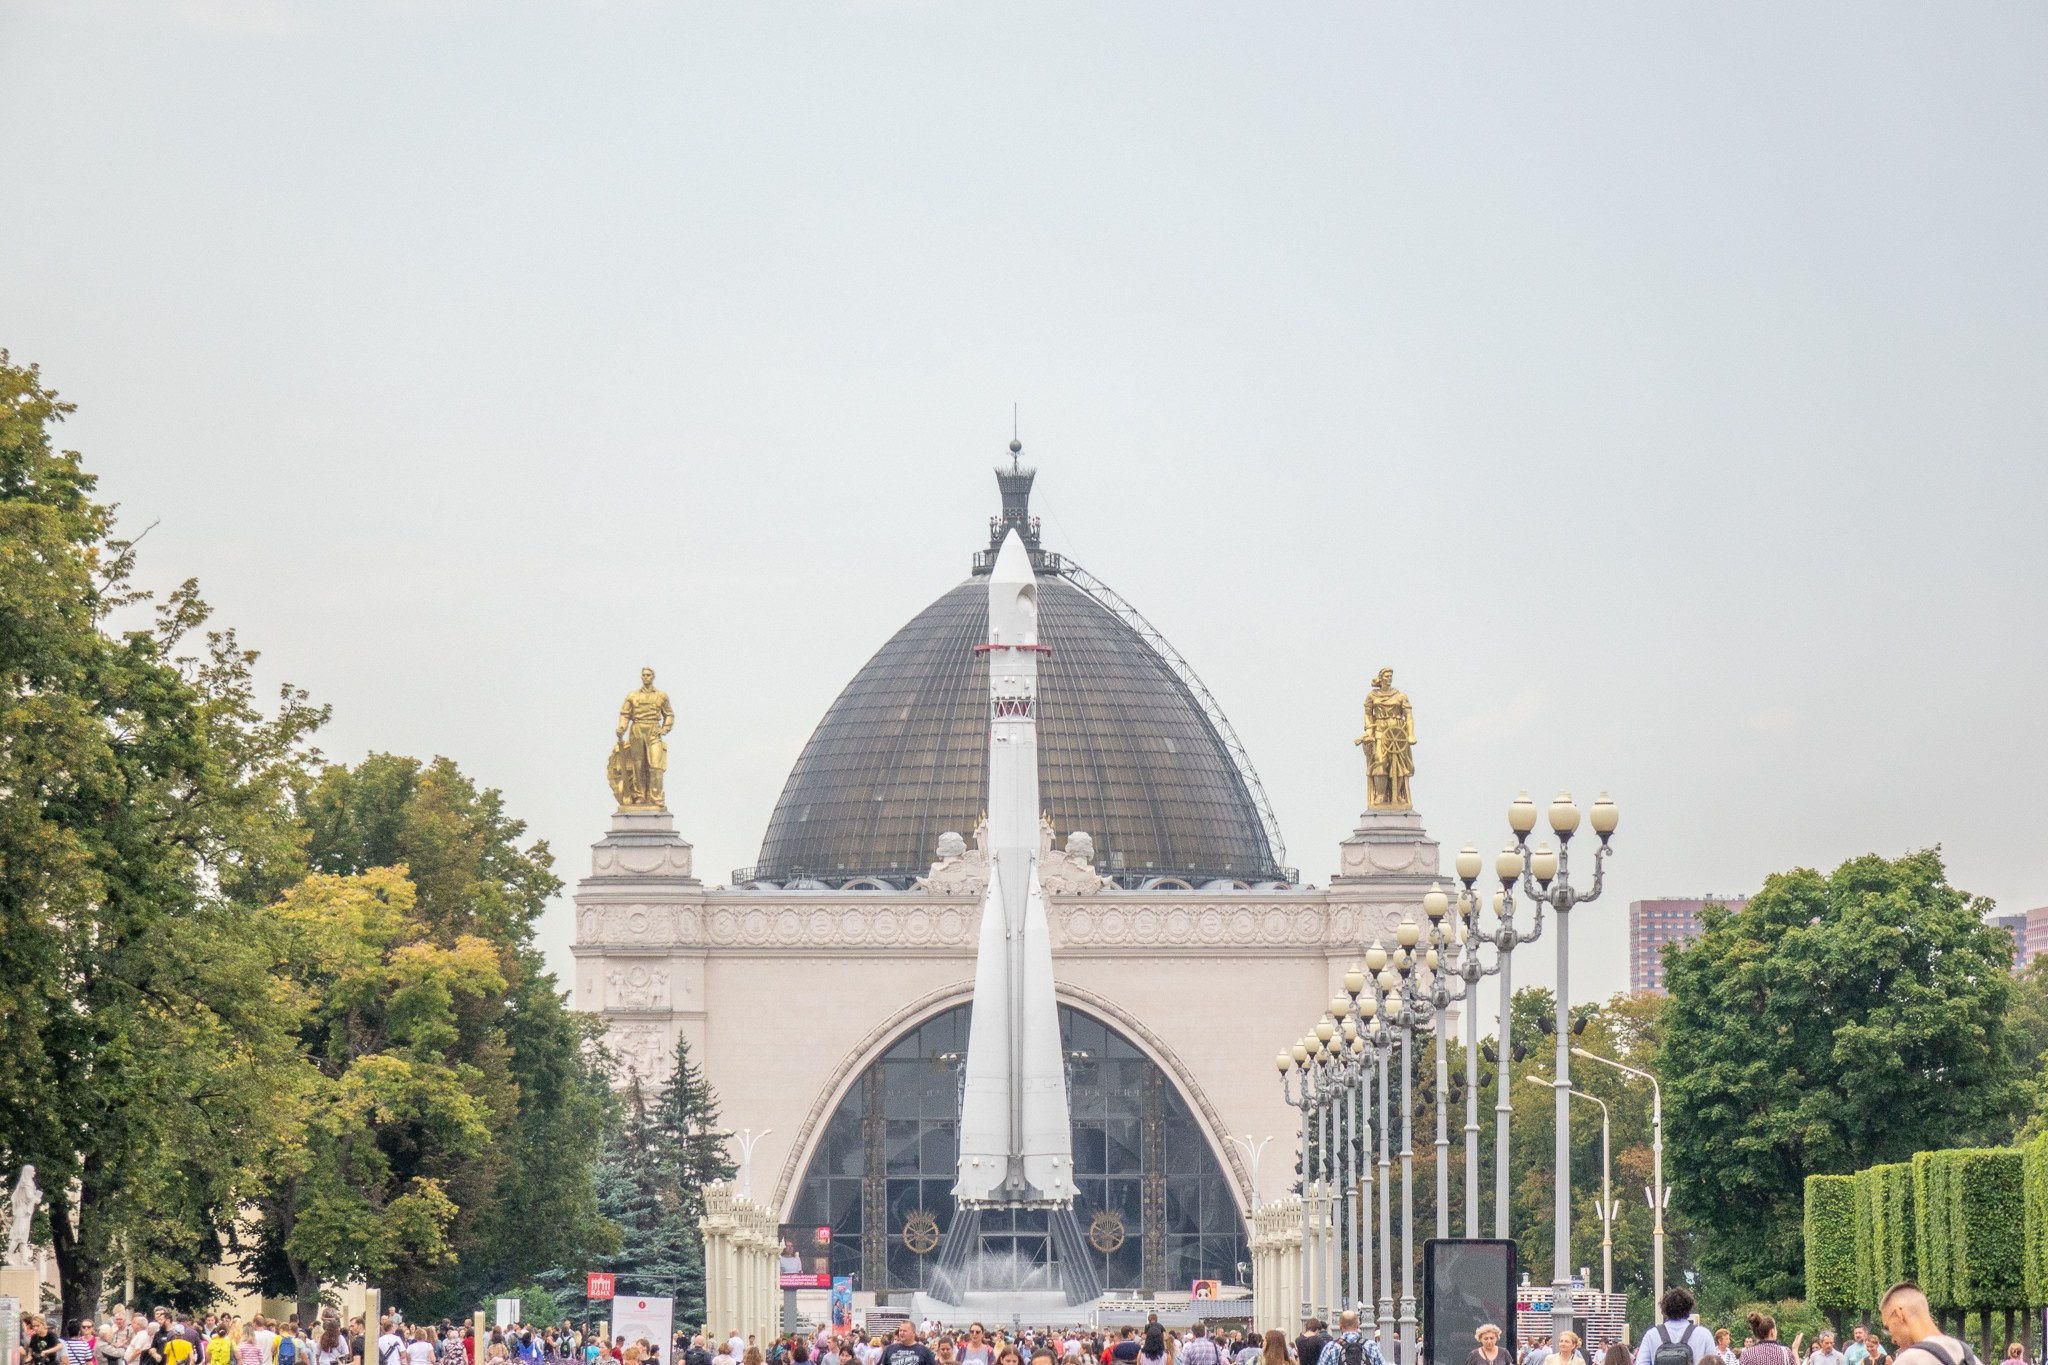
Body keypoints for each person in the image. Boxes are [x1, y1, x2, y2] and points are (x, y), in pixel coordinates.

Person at [1634, 1290, 1716, 1365]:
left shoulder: (1651, 1335)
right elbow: (1714, 1362)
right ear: (1689, 1308)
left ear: (1664, 1309)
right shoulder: (1704, 1334)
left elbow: (1641, 1363)